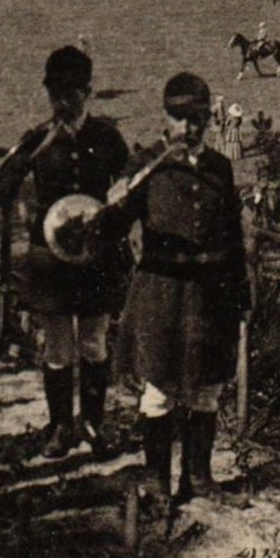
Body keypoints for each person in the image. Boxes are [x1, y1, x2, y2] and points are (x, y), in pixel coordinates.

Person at [0, 46, 130, 458]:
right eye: (55, 93)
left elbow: (130, 187)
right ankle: (61, 426)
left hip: (96, 257)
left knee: (94, 344)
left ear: (87, 92)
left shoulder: (108, 137)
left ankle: (94, 424)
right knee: (58, 346)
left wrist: (117, 216)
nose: (62, 102)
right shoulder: (38, 138)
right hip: (51, 258)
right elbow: (5, 181)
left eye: (71, 94)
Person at [110, 72, 250, 506]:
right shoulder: (147, 164)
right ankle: (156, 479)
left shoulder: (219, 168)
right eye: (178, 120)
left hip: (209, 295)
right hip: (161, 293)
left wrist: (241, 294)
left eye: (195, 120)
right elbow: (115, 222)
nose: (187, 129)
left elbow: (231, 237)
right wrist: (116, 198)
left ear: (208, 120)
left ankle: (200, 478)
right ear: (164, 119)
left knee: (206, 388)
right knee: (161, 386)